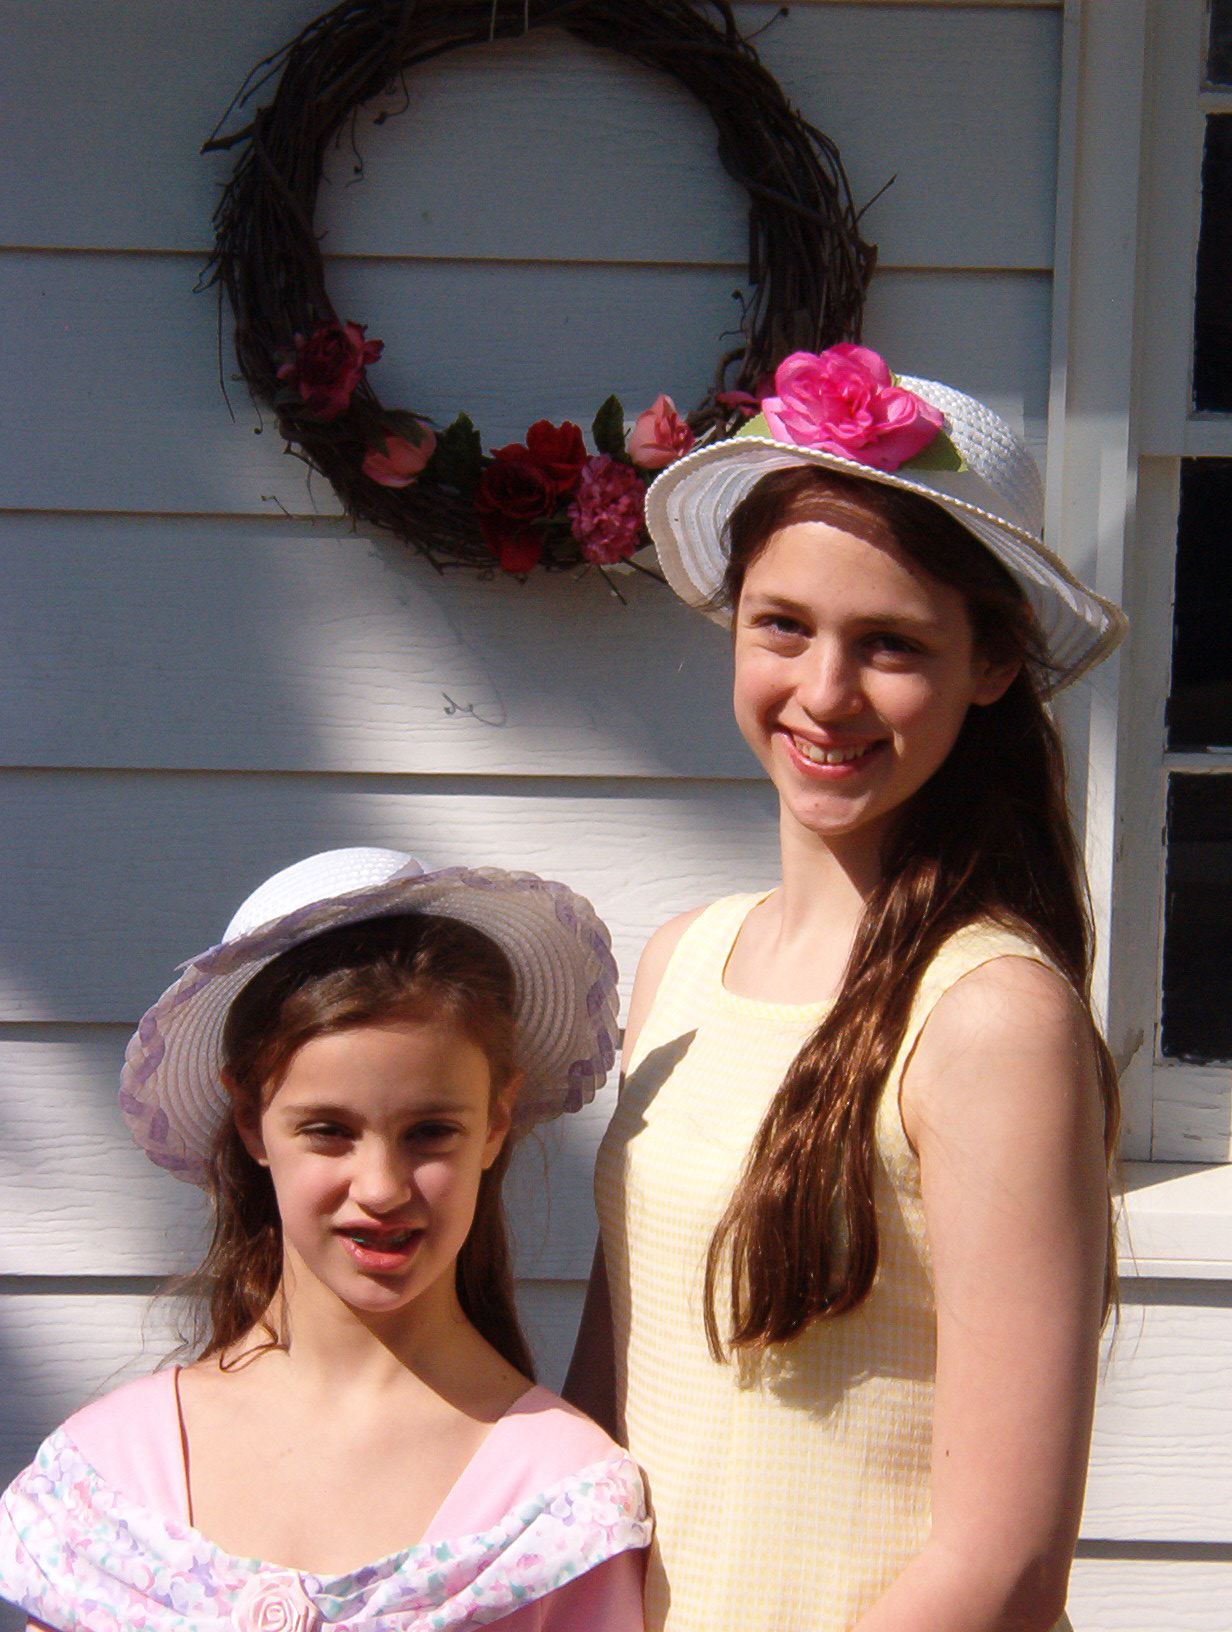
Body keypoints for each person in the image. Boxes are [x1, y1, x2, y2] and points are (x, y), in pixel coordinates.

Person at [566, 344, 1128, 1632]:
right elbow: (607, 1417)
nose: (824, 694)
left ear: (991, 664)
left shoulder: (988, 1018)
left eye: (889, 645)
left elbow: (1000, 1567)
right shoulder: (681, 963)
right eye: (784, 625)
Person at [0, 847, 650, 1632]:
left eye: (429, 1132)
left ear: (496, 1120)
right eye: (329, 1131)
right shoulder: (109, 1480)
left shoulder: (559, 1505)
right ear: (251, 1120)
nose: (380, 1187)